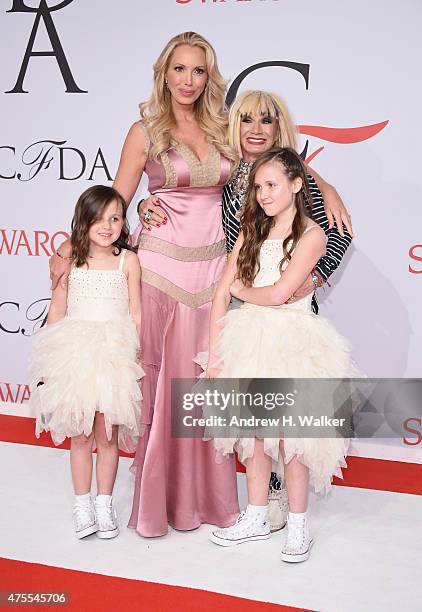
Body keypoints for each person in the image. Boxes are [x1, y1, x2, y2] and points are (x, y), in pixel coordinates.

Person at [198, 148, 356, 562]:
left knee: (292, 438)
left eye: (272, 185)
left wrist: (241, 293)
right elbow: (220, 294)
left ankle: (299, 527)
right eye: (258, 187)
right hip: (247, 341)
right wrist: (215, 355)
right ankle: (255, 517)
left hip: (293, 342)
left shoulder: (312, 235)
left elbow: (281, 293)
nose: (263, 194)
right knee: (254, 436)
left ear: (296, 185)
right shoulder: (250, 231)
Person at [223, 90, 354, 531]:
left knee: (289, 421)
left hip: (290, 314)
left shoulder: (304, 182)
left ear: (280, 129)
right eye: (246, 120)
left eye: (266, 121)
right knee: (255, 423)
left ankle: (289, 513)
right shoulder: (229, 186)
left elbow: (332, 236)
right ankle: (263, 508)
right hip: (247, 313)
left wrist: (308, 282)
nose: (255, 129)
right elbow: (234, 245)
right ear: (234, 127)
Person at [29, 185, 144, 540]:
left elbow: (135, 312)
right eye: (99, 219)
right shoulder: (71, 261)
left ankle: (104, 504)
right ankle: (83, 505)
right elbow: (58, 311)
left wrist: (131, 355)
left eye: (115, 218)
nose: (107, 226)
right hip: (75, 355)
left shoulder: (128, 260)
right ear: (83, 221)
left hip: (113, 356)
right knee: (80, 436)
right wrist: (50, 360)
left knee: (106, 436)